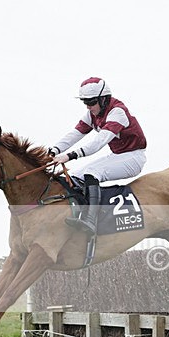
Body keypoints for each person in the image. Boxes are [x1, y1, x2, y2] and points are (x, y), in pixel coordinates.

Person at [49, 77, 147, 234]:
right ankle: (80, 213)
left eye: (92, 102)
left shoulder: (117, 112)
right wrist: (53, 150)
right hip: (117, 156)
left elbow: (99, 142)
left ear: (104, 99)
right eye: (85, 102)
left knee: (91, 174)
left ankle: (90, 221)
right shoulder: (91, 114)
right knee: (73, 177)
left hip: (134, 157)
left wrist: (70, 156)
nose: (88, 107)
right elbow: (75, 134)